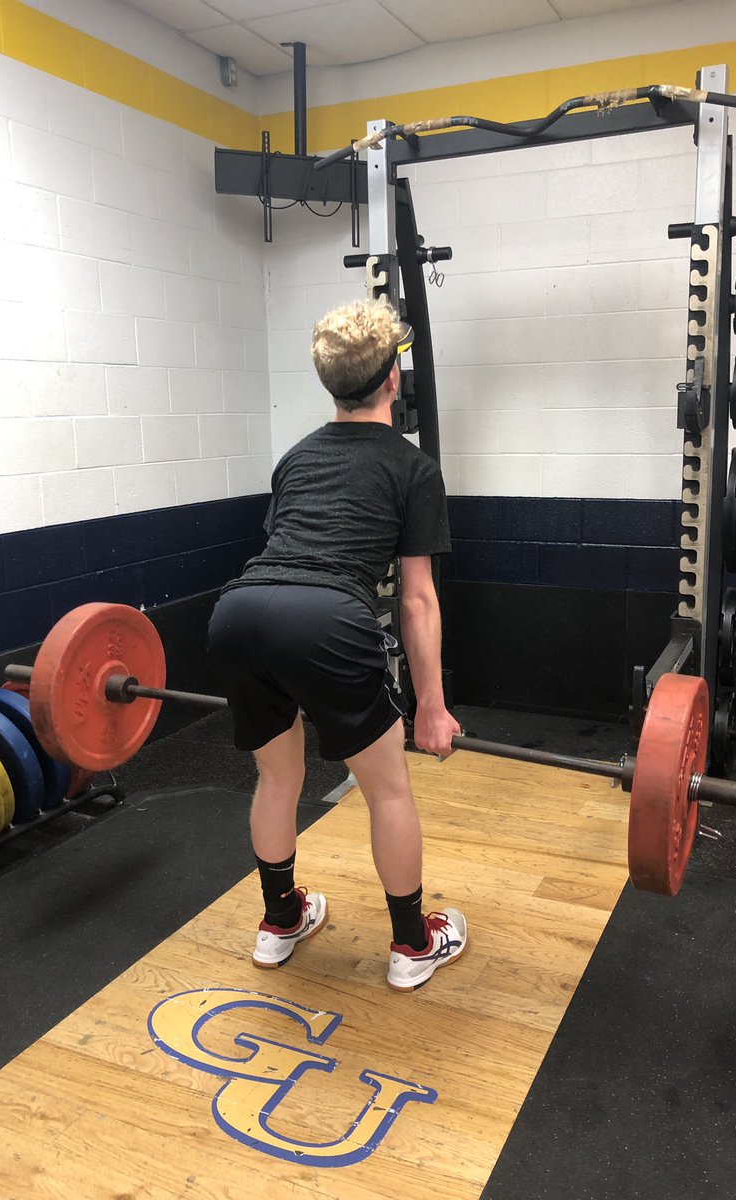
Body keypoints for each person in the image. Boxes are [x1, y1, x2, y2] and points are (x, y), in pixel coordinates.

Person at [207, 298, 466, 992]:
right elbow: (416, 597)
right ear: (393, 380)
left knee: (277, 777)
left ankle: (281, 920)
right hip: (325, 619)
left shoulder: (296, 457)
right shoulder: (414, 468)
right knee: (388, 791)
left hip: (238, 614)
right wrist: (432, 707)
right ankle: (413, 944)